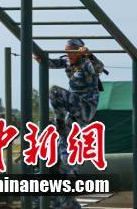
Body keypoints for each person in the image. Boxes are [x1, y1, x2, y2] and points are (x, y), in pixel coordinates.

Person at [40, 39, 105, 209]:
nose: (68, 55)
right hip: (73, 109)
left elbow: (98, 67)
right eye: (66, 51)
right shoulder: (69, 61)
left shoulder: (86, 64)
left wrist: (88, 54)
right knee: (65, 139)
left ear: (78, 51)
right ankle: (70, 174)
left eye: (71, 52)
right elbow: (53, 63)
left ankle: (59, 120)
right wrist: (40, 58)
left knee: (54, 90)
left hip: (85, 107)